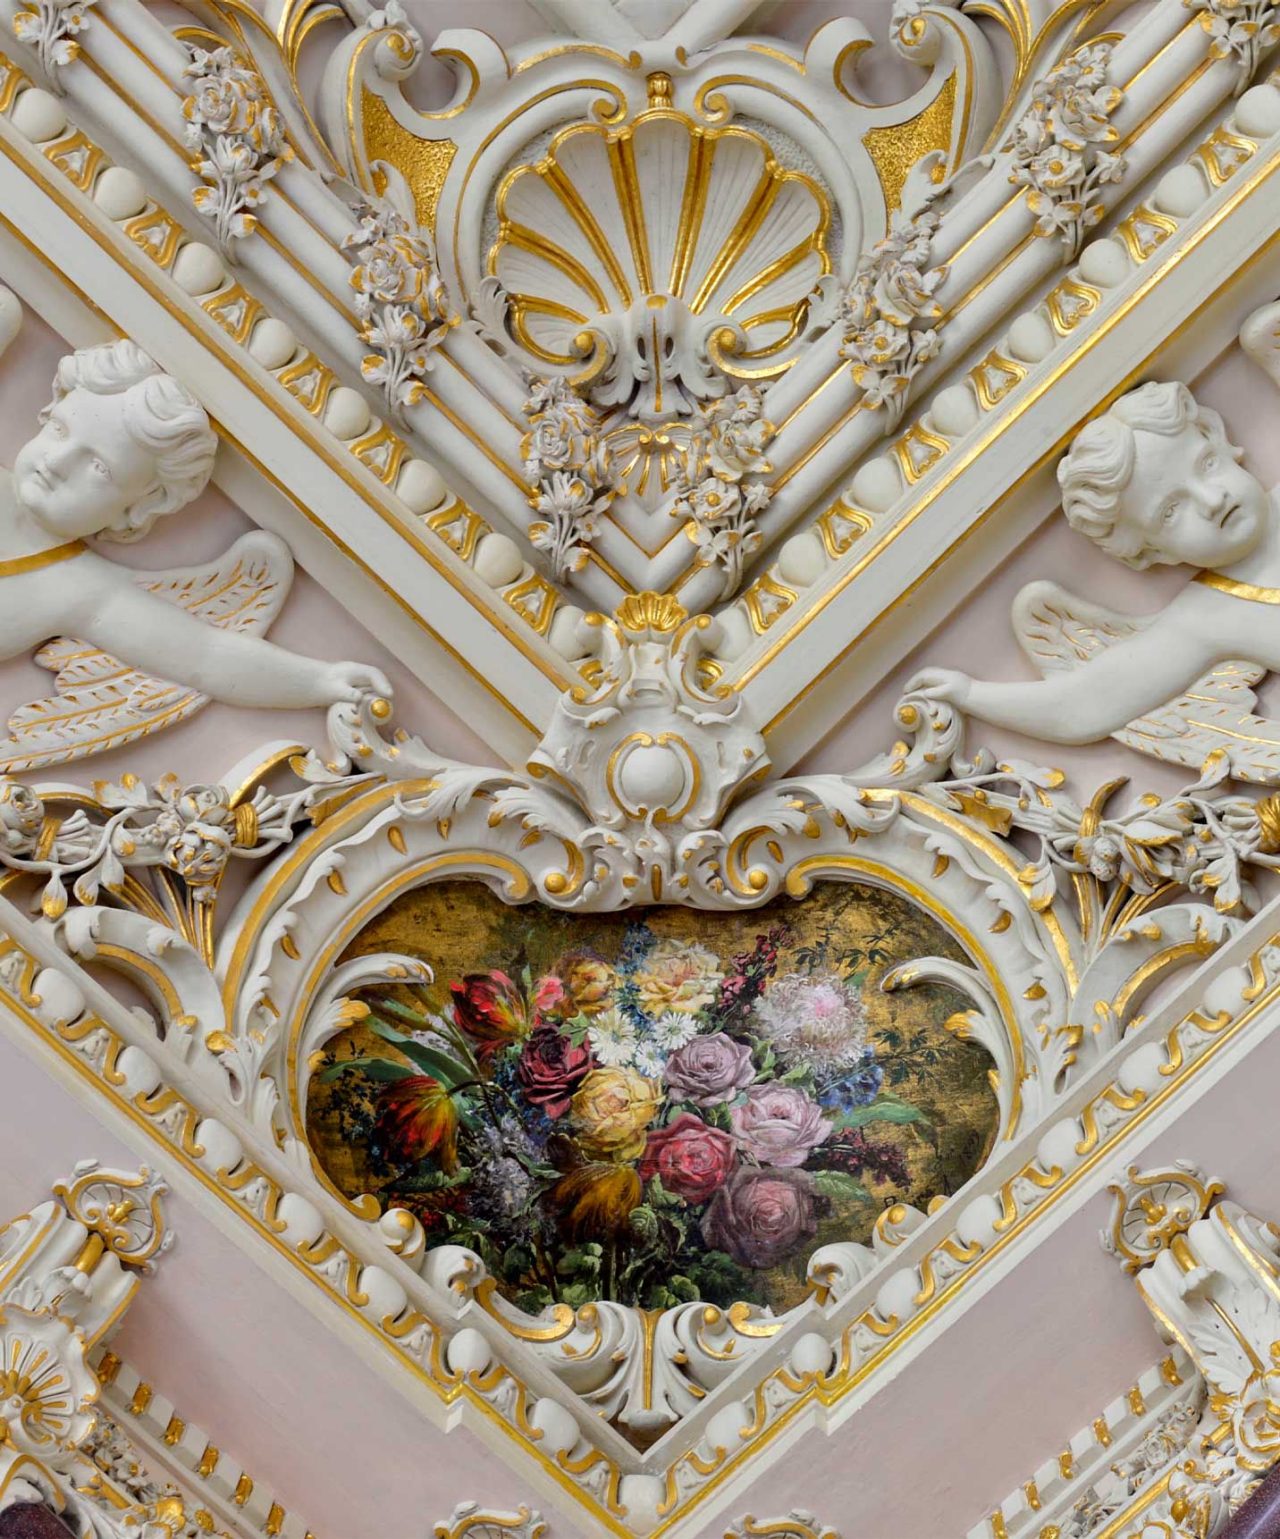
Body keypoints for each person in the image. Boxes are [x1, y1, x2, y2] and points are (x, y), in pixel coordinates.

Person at [0, 337, 390, 710]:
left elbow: (205, 656)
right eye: (59, 429)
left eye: (99, 468)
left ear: (135, 508)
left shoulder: (79, 589)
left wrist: (318, 682)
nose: (59, 461)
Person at [907, 380, 1280, 744]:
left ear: (1219, 442)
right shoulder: (1208, 617)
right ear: (1151, 551)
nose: (1212, 500)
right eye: (1170, 511)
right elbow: (1084, 705)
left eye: (1207, 464)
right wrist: (970, 694)